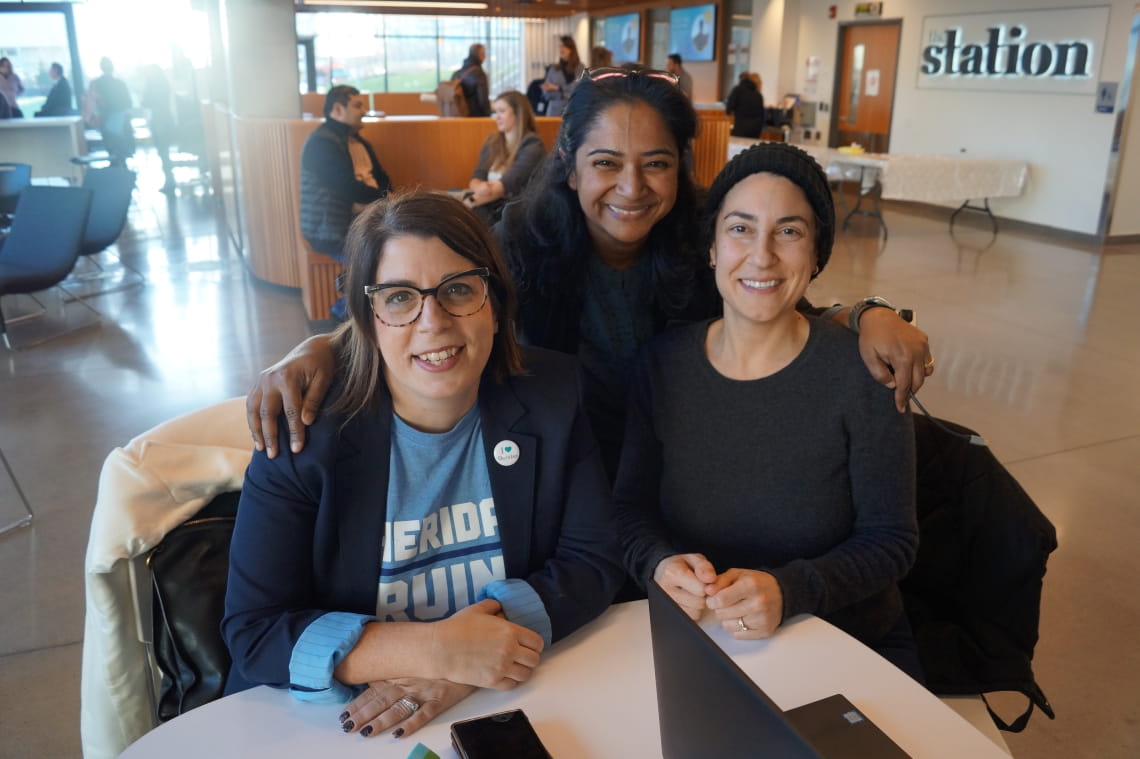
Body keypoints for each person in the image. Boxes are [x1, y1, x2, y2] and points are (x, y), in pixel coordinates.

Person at [246, 70, 931, 479]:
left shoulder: (701, 245)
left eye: (656, 163)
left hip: (678, 481)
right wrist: (319, 347)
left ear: (680, 168)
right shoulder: (513, 244)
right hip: (553, 480)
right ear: (570, 168)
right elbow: (416, 313)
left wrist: (861, 313)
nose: (631, 187)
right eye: (606, 163)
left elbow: (769, 302)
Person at [222, 189, 624, 740]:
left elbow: (593, 560)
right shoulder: (304, 431)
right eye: (399, 298)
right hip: (334, 726)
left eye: (458, 289)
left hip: (510, 700)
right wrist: (436, 650)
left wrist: (473, 661)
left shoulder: (554, 395)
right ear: (368, 319)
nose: (433, 321)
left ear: (496, 302)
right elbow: (254, 630)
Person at [613, 142, 922, 679]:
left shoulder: (864, 371)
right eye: (739, 228)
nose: (762, 255)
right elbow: (628, 511)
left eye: (789, 231)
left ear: (816, 254)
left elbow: (892, 541)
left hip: (842, 644)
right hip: (705, 639)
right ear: (711, 247)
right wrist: (657, 564)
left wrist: (790, 590)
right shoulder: (661, 364)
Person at [300, 84, 391, 320]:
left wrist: (387, 197)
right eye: (358, 105)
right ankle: (340, 312)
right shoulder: (321, 144)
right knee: (374, 261)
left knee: (393, 251)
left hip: (364, 221)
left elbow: (383, 179)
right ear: (338, 109)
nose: (363, 111)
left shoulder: (359, 142)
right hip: (330, 229)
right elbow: (347, 189)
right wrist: (385, 199)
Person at [463, 90, 545, 227]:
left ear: (518, 113)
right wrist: (481, 187)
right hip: (487, 204)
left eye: (502, 111)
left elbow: (504, 187)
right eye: (496, 112)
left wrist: (470, 202)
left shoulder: (533, 146)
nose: (497, 117)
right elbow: (477, 177)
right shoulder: (492, 141)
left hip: (515, 211)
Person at [89, 57, 135, 167]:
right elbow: (128, 102)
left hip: (105, 117)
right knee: (119, 144)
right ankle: (122, 166)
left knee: (111, 145)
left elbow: (93, 101)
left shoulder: (96, 83)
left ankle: (116, 166)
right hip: (119, 118)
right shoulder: (120, 83)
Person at [141, 65, 177, 192]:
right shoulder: (163, 85)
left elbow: (144, 101)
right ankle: (170, 181)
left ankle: (170, 182)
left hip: (159, 121)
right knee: (164, 152)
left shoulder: (153, 86)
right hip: (165, 119)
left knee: (163, 152)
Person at [540, 36, 584, 118]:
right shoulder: (553, 69)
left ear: (571, 49)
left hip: (575, 113)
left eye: (564, 46)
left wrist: (557, 88)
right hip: (554, 114)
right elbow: (546, 94)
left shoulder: (580, 68)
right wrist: (565, 95)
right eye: (560, 46)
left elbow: (578, 88)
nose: (561, 49)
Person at [725, 71, 766, 138]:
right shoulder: (758, 95)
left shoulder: (737, 90)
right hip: (755, 130)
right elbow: (762, 115)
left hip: (740, 129)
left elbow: (729, 109)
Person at [455, 44, 490, 118]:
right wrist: (488, 116)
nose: (485, 57)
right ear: (480, 55)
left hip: (457, 116)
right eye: (484, 54)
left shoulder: (457, 74)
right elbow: (483, 100)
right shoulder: (479, 74)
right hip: (475, 117)